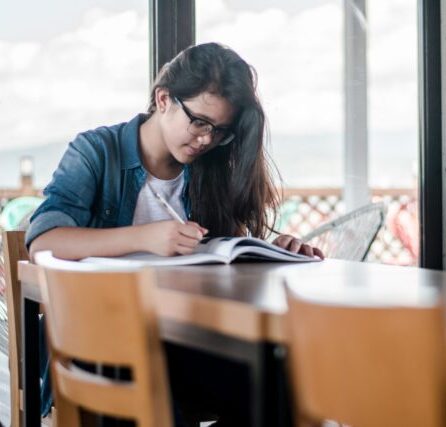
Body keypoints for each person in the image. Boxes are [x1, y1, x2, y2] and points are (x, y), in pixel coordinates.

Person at [26, 42, 323, 426]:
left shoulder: (208, 169)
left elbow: (220, 254)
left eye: (220, 131)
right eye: (199, 121)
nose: (206, 140)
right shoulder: (97, 151)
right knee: (152, 389)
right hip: (101, 341)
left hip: (185, 341)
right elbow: (43, 242)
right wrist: (144, 238)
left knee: (283, 384)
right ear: (163, 99)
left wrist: (270, 251)